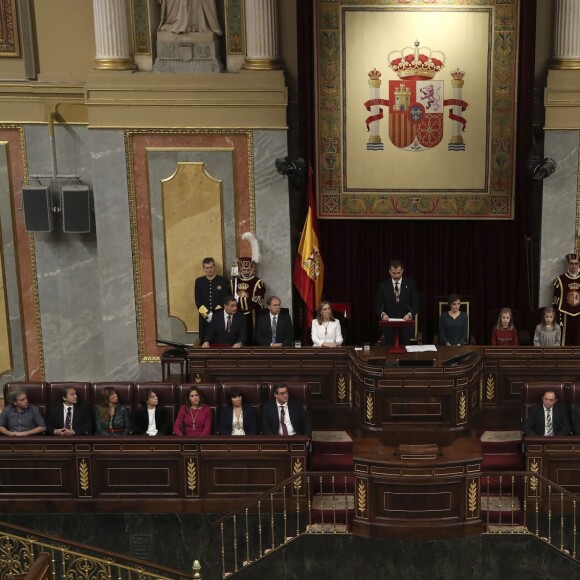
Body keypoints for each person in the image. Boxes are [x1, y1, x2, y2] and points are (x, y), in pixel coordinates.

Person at [231, 233, 266, 345]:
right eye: (244, 269)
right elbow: (229, 297)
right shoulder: (233, 282)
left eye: (248, 269)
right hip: (235, 314)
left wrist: (244, 302)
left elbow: (258, 299)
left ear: (251, 268)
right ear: (240, 269)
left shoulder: (257, 282)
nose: (246, 272)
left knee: (250, 337)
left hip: (251, 315)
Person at [375, 259, 419, 346]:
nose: (396, 275)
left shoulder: (410, 284)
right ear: (389, 272)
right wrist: (382, 314)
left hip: (405, 324)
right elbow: (378, 305)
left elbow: (416, 304)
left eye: (398, 273)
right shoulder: (383, 286)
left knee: (404, 351)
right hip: (389, 325)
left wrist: (410, 314)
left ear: (402, 271)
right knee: (389, 350)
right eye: (394, 273)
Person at [195, 257, 229, 344]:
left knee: (219, 340)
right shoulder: (199, 281)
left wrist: (214, 314)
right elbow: (198, 300)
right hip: (204, 318)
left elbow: (225, 298)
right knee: (205, 340)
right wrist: (207, 315)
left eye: (211, 267)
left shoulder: (223, 280)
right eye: (207, 268)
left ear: (214, 267)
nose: (209, 270)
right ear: (204, 269)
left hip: (219, 316)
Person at [552, 251, 580, 345]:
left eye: (576, 263)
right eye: (572, 263)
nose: (574, 266)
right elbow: (555, 302)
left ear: (579, 264)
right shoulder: (560, 280)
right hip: (565, 314)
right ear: (568, 264)